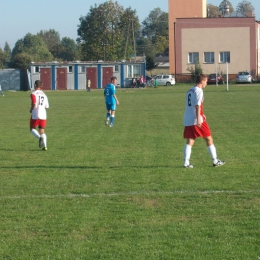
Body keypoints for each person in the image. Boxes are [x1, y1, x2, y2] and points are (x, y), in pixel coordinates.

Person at [183, 74, 225, 168]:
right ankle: (215, 161)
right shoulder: (199, 91)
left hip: (188, 118)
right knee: (209, 139)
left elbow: (192, 105)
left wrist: (202, 114)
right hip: (196, 120)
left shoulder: (190, 90)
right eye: (206, 81)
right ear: (202, 81)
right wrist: (199, 119)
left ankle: (186, 163)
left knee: (190, 140)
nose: (206, 83)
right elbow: (197, 105)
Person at [29, 80, 49, 150]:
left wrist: (31, 109)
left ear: (35, 85)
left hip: (36, 114)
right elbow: (46, 106)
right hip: (43, 115)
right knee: (42, 131)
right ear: (41, 85)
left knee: (32, 128)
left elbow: (34, 103)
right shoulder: (44, 95)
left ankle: (39, 138)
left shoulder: (33, 93)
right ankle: (45, 146)